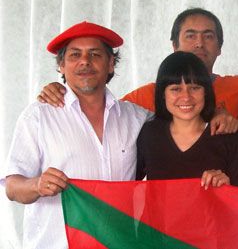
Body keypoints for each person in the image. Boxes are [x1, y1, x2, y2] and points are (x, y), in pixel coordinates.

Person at [39, 8, 238, 133]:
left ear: (220, 47)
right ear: (175, 45)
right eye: (190, 36)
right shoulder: (146, 98)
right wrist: (63, 89)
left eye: (209, 36)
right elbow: (99, 108)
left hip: (227, 204)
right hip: (169, 211)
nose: (199, 43)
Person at [1, 22, 151, 248]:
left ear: (111, 64)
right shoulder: (38, 117)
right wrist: (37, 185)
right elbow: (12, 187)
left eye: (94, 54)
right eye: (74, 55)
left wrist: (219, 115)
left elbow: (185, 126)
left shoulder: (137, 117)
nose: (85, 61)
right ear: (61, 66)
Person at [136, 51, 238, 190]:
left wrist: (228, 187)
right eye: (176, 89)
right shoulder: (149, 134)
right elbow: (126, 185)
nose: (186, 97)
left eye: (194, 88)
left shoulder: (229, 136)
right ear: (162, 94)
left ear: (206, 91)